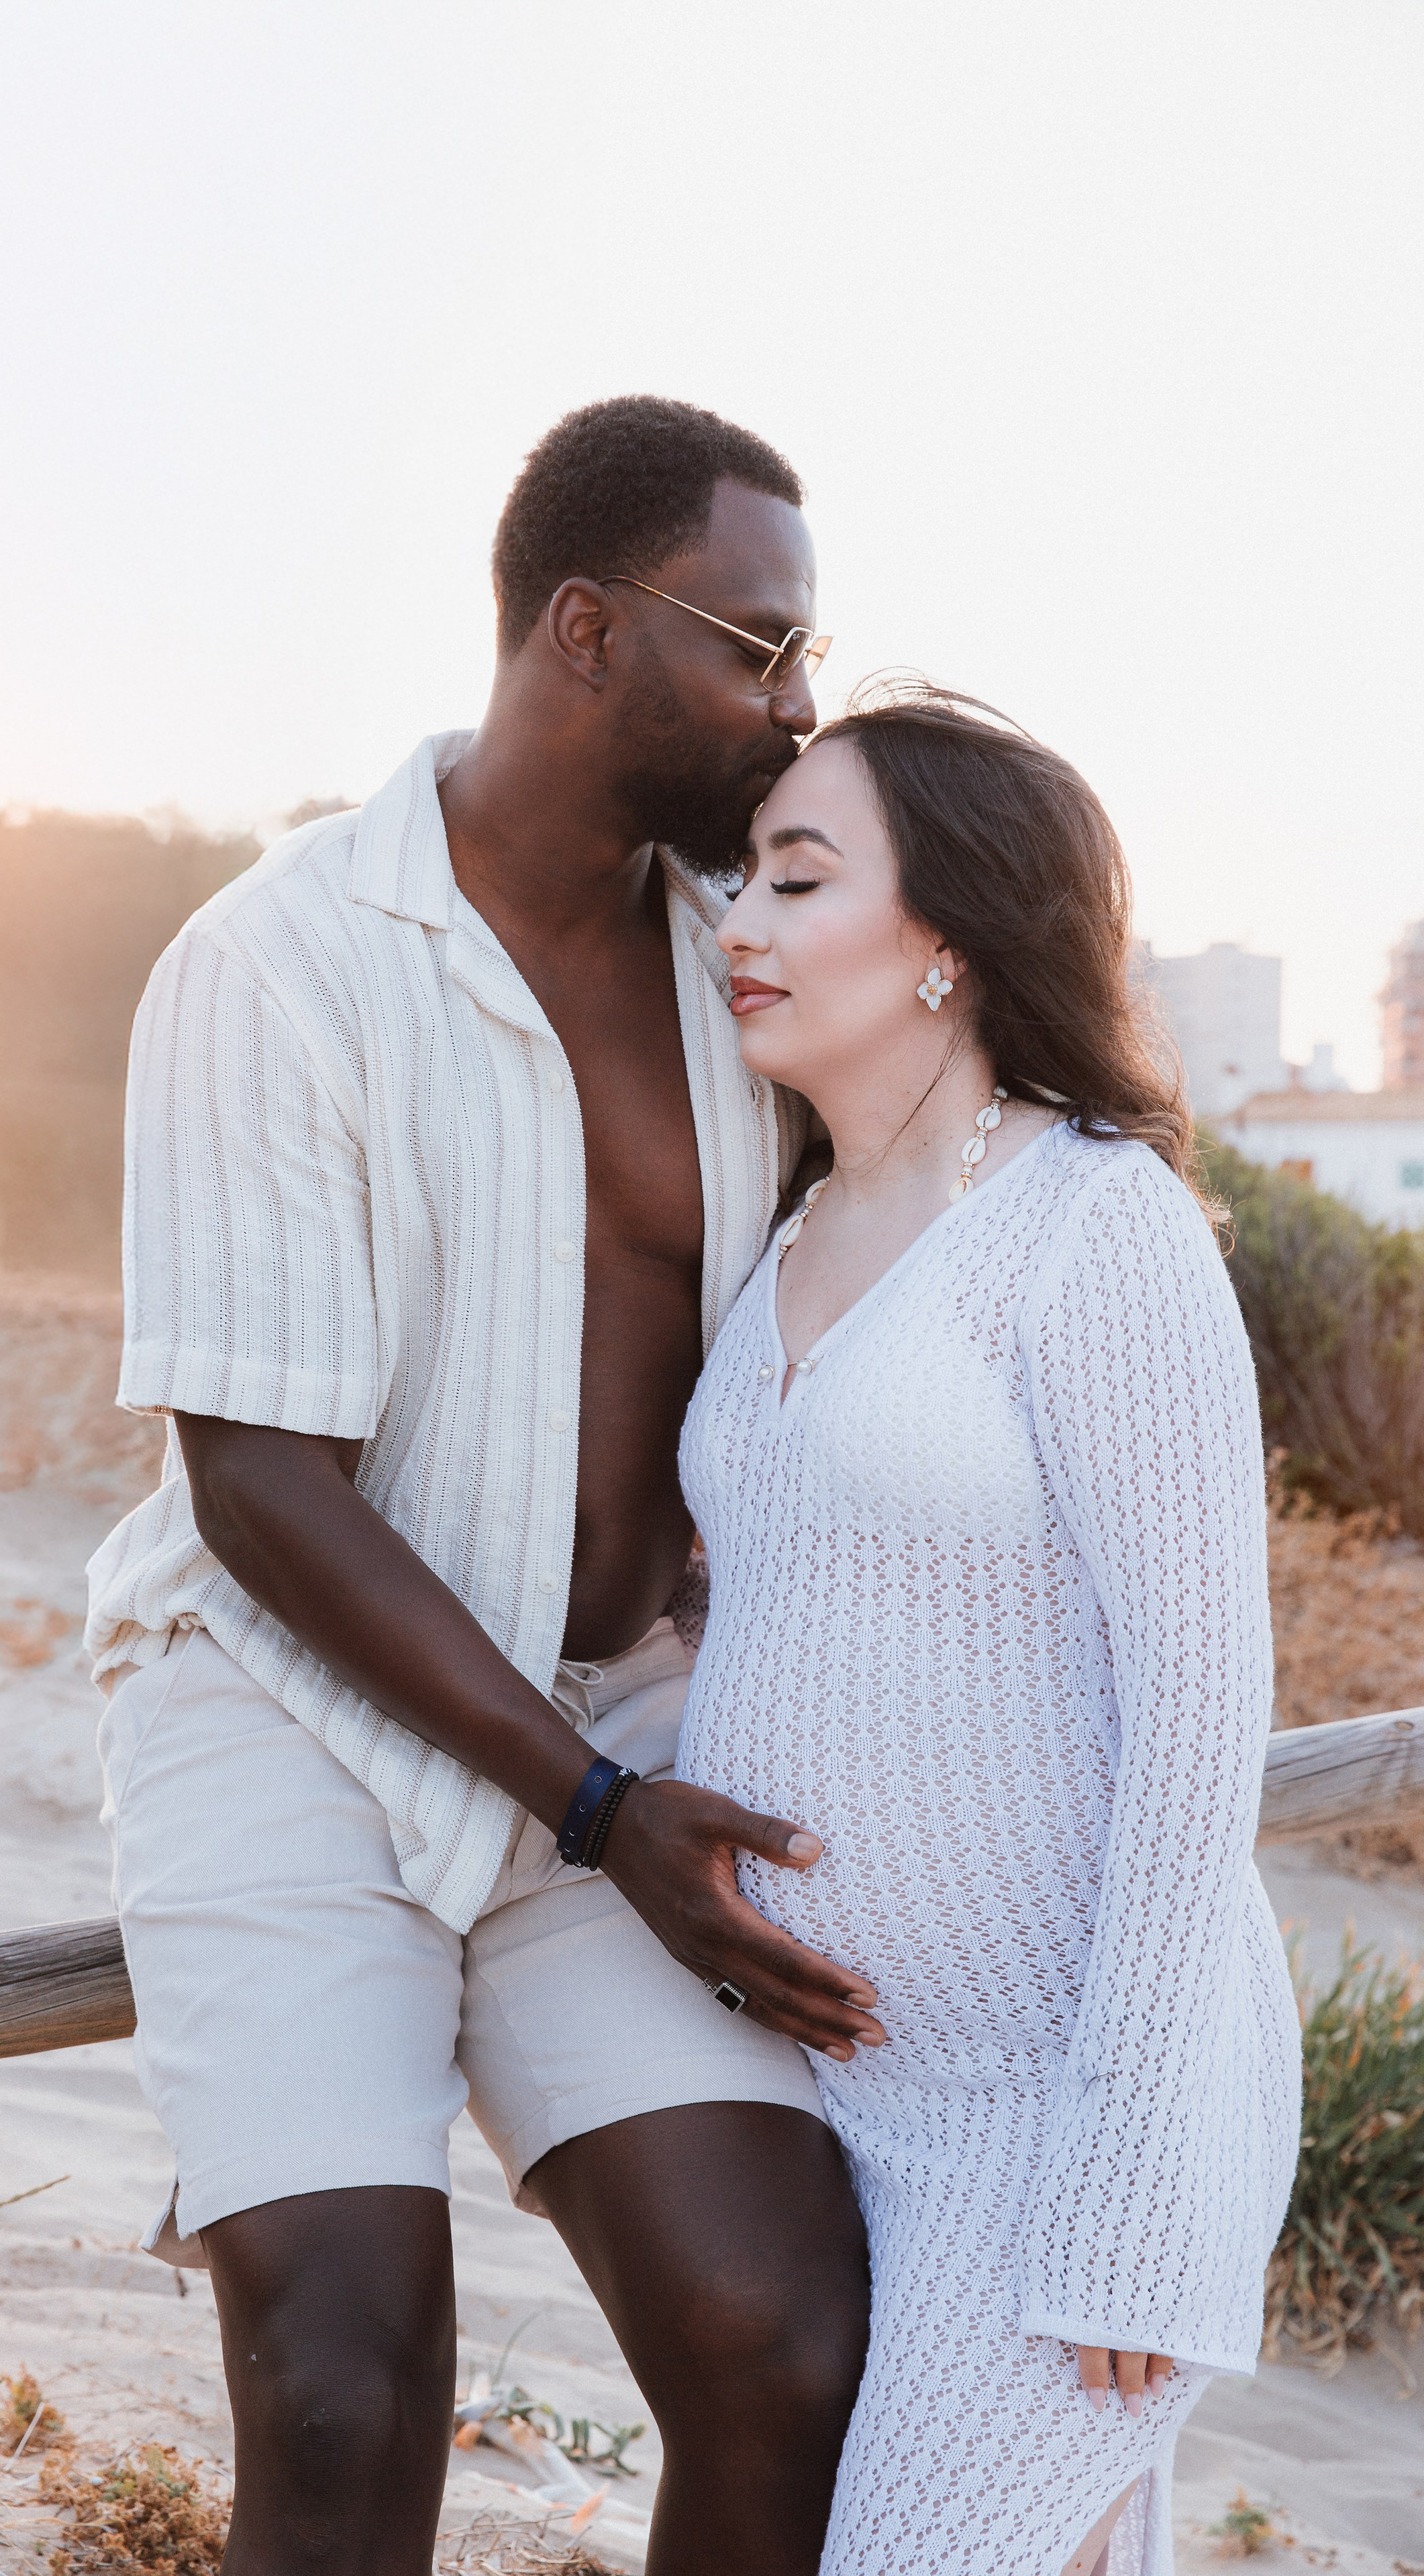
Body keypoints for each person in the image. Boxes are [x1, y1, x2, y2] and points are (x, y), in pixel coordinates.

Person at [84, 396, 880, 2576]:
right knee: (346, 2402)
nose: (800, 707)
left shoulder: (755, 955)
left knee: (783, 2343)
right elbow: (256, 1480)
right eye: (762, 644)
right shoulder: (281, 964)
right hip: (284, 1718)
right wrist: (602, 1816)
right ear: (591, 631)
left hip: (612, 1717)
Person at [675, 685, 1301, 2576]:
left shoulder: (1094, 1223)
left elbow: (1205, 1711)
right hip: (851, 2099)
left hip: (1061, 2116)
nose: (743, 924)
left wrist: (1126, 2178)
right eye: (742, 880)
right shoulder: (784, 1231)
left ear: (948, 933)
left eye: (802, 878)